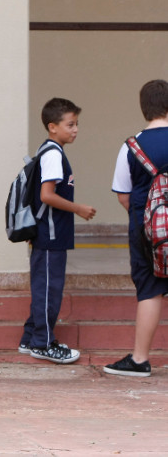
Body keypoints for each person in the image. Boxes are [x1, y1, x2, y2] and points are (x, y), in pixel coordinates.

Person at [17, 98, 96, 364]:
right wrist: (78, 208)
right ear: (52, 127)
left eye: (76, 124)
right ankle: (43, 343)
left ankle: (30, 338)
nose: (75, 130)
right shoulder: (52, 154)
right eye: (70, 124)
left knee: (44, 287)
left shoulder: (50, 151)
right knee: (49, 290)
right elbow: (47, 195)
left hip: (50, 234)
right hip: (49, 234)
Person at [104, 79, 168, 377]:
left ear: (144, 108)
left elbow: (123, 195)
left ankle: (140, 359)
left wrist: (152, 221)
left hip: (147, 231)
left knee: (150, 290)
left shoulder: (131, 146)